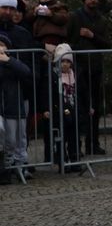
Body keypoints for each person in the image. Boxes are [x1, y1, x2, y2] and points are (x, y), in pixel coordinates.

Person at [66, 0, 111, 156]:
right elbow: (67, 41)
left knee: (95, 107)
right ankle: (76, 146)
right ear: (84, 0)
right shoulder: (75, 17)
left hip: (95, 68)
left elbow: (107, 44)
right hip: (78, 68)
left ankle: (93, 143)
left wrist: (92, 36)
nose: (93, 0)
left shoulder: (101, 19)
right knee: (78, 106)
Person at [0, 0, 35, 178]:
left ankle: (20, 163)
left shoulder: (22, 34)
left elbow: (29, 65)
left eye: (11, 8)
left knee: (19, 133)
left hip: (19, 90)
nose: (7, 12)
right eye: (4, 8)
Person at [39, 43, 83, 173]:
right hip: (57, 109)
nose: (65, 64)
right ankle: (62, 161)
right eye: (62, 61)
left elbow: (83, 91)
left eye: (68, 61)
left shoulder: (75, 74)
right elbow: (45, 93)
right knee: (60, 137)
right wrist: (46, 108)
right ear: (57, 61)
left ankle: (75, 160)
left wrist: (87, 106)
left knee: (74, 136)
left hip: (73, 108)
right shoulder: (52, 75)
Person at [0, 32, 31, 184]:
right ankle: (7, 166)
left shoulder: (13, 61)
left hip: (15, 105)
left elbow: (26, 72)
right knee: (8, 139)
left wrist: (8, 60)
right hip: (3, 108)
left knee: (20, 138)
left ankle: (22, 165)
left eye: (2, 45)